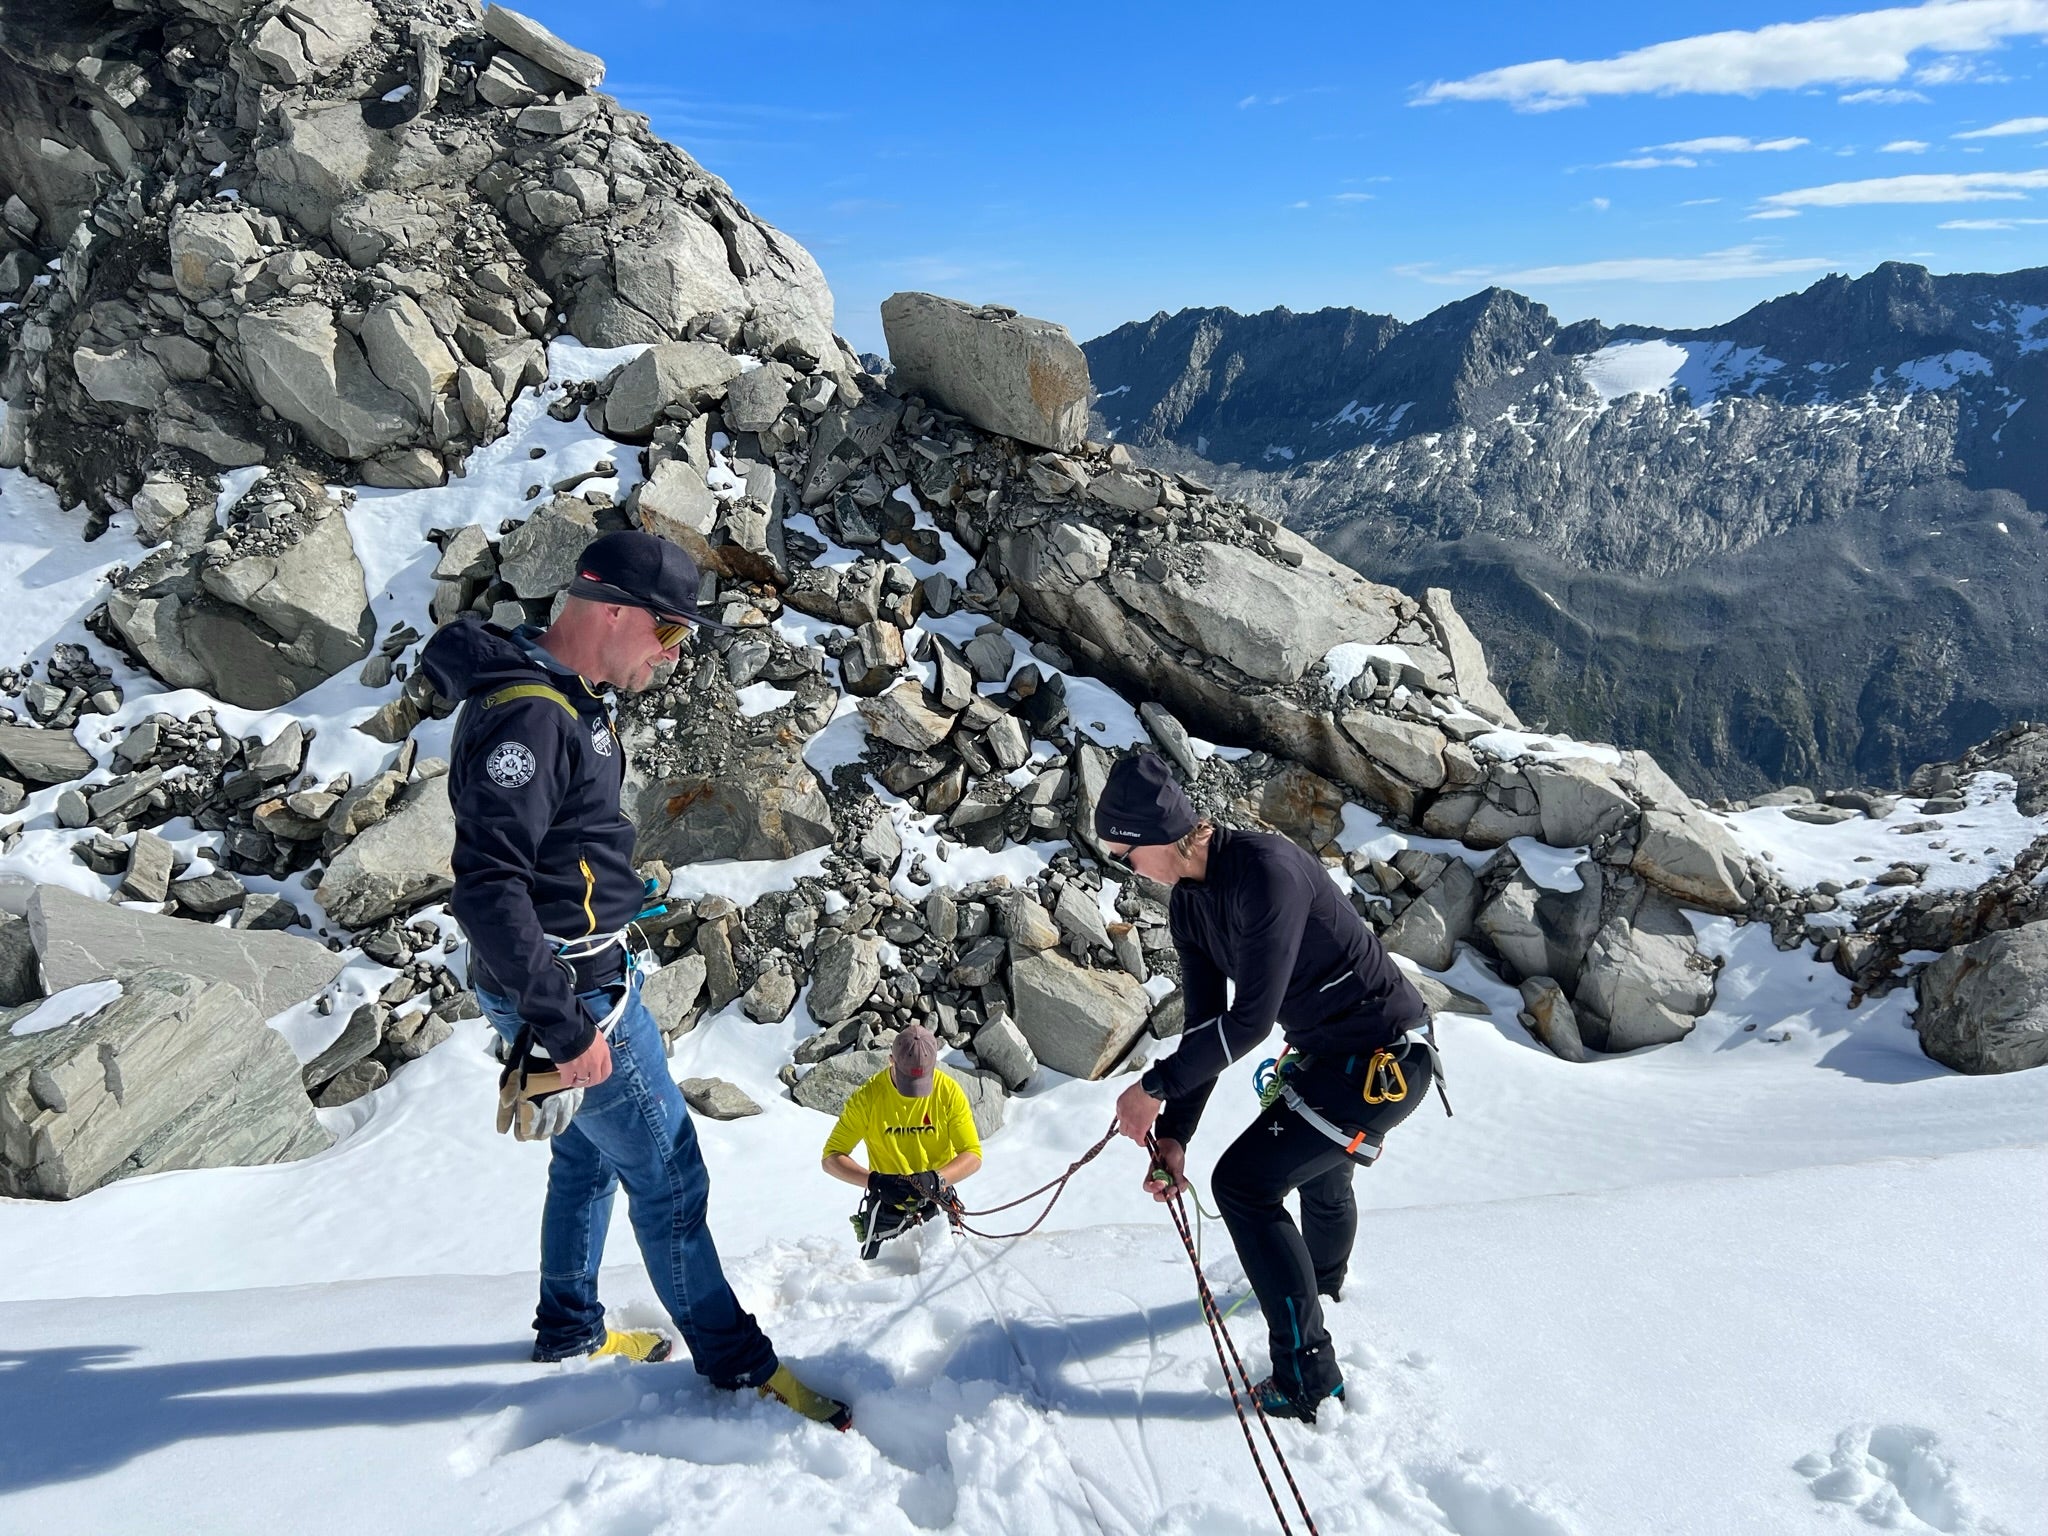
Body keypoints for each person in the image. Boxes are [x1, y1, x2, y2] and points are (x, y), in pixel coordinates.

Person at [420, 528, 850, 1431]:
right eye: (669, 632)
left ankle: (570, 1327)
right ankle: (738, 1368)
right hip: (576, 994)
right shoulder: (535, 717)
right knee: (670, 1177)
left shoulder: (578, 697)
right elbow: (489, 889)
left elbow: (552, 851)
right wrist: (569, 1032)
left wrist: (618, 889)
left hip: (578, 967)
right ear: (612, 609)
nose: (674, 652)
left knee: (587, 1155)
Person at [1101, 752, 1443, 1423]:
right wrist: (1174, 1133)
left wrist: (1151, 1087)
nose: (1126, 867)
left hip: (1385, 1061)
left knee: (1245, 1185)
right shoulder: (1191, 907)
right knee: (1318, 1173)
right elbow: (1205, 1025)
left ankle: (1309, 1377)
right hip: (1331, 1057)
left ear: (1160, 838)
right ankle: (1319, 1289)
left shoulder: (1267, 872)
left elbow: (1249, 1022)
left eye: (1125, 853)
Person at [820, 1024, 983, 1259]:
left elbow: (972, 1154)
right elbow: (831, 1157)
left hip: (936, 1201)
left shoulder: (948, 1093)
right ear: (890, 1061)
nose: (915, 1094)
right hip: (888, 1209)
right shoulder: (869, 1098)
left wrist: (936, 1179)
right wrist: (874, 1181)